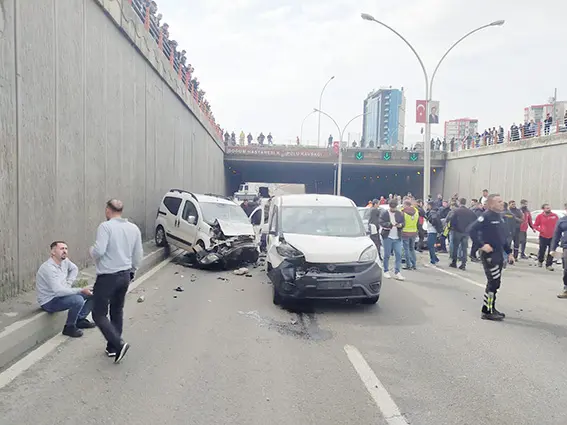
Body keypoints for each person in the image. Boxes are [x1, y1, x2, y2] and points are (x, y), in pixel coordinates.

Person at [90, 199, 143, 363]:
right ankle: (112, 348)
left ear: (108, 210)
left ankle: (118, 344)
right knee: (117, 310)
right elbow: (138, 254)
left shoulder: (105, 227)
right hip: (125, 275)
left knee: (98, 314)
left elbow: (99, 250)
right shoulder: (133, 228)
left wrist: (91, 251)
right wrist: (133, 271)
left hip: (108, 276)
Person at [469, 194, 515, 321]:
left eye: (502, 201)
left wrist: (509, 253)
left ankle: (491, 307)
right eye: (499, 201)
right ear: (490, 204)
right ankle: (487, 311)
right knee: (493, 282)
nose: (502, 203)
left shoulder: (500, 218)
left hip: (499, 254)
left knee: (496, 283)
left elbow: (503, 238)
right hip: (489, 255)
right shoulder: (486, 216)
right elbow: (471, 230)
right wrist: (482, 245)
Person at [36, 241, 95, 338]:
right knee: (78, 300)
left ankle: (80, 319)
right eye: (61, 249)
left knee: (94, 293)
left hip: (61, 295)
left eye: (66, 249)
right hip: (49, 301)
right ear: (53, 252)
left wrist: (68, 283)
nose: (65, 251)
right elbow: (58, 291)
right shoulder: (48, 268)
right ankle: (69, 327)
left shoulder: (65, 261)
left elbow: (74, 269)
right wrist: (80, 290)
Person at [379, 200, 405, 280]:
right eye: (392, 207)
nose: (393, 209)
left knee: (398, 254)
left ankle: (397, 272)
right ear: (390, 206)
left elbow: (403, 222)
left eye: (395, 207)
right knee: (387, 254)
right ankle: (386, 270)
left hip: (397, 236)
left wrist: (400, 225)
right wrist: (389, 225)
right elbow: (381, 222)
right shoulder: (385, 213)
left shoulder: (399, 214)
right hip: (387, 236)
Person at [449, 198, 477, 270]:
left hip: (457, 231)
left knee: (456, 247)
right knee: (464, 249)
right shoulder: (470, 212)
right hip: (466, 232)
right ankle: (463, 264)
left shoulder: (456, 211)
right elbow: (475, 221)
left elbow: (452, 221)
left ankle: (454, 262)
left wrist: (452, 228)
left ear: (459, 202)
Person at [533, 204, 559, 271]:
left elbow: (559, 224)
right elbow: (535, 225)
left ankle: (549, 264)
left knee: (551, 251)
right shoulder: (540, 216)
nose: (549, 209)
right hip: (543, 236)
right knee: (542, 250)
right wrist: (540, 230)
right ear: (543, 209)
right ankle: (540, 261)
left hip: (552, 237)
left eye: (549, 208)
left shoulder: (554, 216)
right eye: (547, 208)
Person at [551, 203, 567, 298]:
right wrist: (553, 248)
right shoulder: (562, 221)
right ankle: (566, 288)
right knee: (566, 269)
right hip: (566, 247)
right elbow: (556, 235)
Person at [401, 200, 419, 270]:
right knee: (412, 248)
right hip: (414, 232)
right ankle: (414, 264)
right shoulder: (416, 211)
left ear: (405, 205)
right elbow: (417, 222)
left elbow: (401, 222)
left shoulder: (403, 212)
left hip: (405, 232)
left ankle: (408, 264)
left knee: (406, 249)